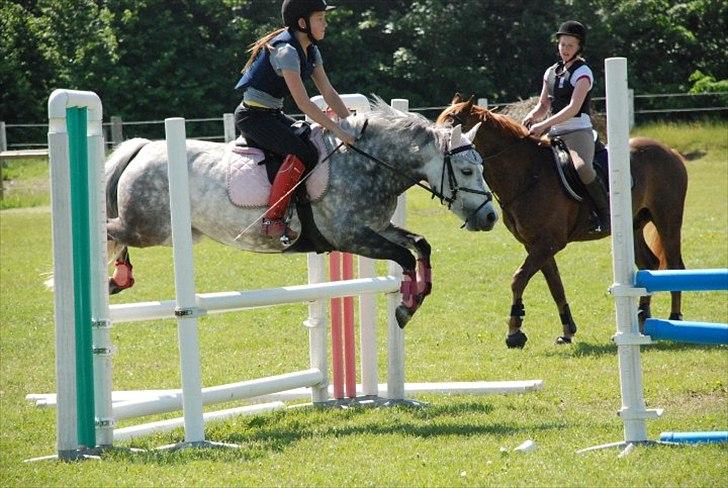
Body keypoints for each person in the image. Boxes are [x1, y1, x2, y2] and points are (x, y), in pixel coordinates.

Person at [233, 0, 356, 243]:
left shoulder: (311, 49)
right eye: (320, 18)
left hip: (271, 115)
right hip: (253, 117)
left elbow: (329, 92)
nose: (325, 23)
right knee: (305, 152)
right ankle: (272, 220)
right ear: (302, 22)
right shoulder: (287, 52)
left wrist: (350, 122)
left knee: (314, 143)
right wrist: (338, 130)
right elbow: (304, 104)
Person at [522, 20, 610, 233]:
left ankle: (605, 214)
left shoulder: (583, 72)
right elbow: (544, 104)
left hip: (577, 131)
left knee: (582, 167)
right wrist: (531, 117)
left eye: (570, 45)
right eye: (562, 44)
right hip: (554, 133)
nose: (565, 49)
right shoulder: (550, 72)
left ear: (579, 47)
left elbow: (573, 108)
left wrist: (544, 124)